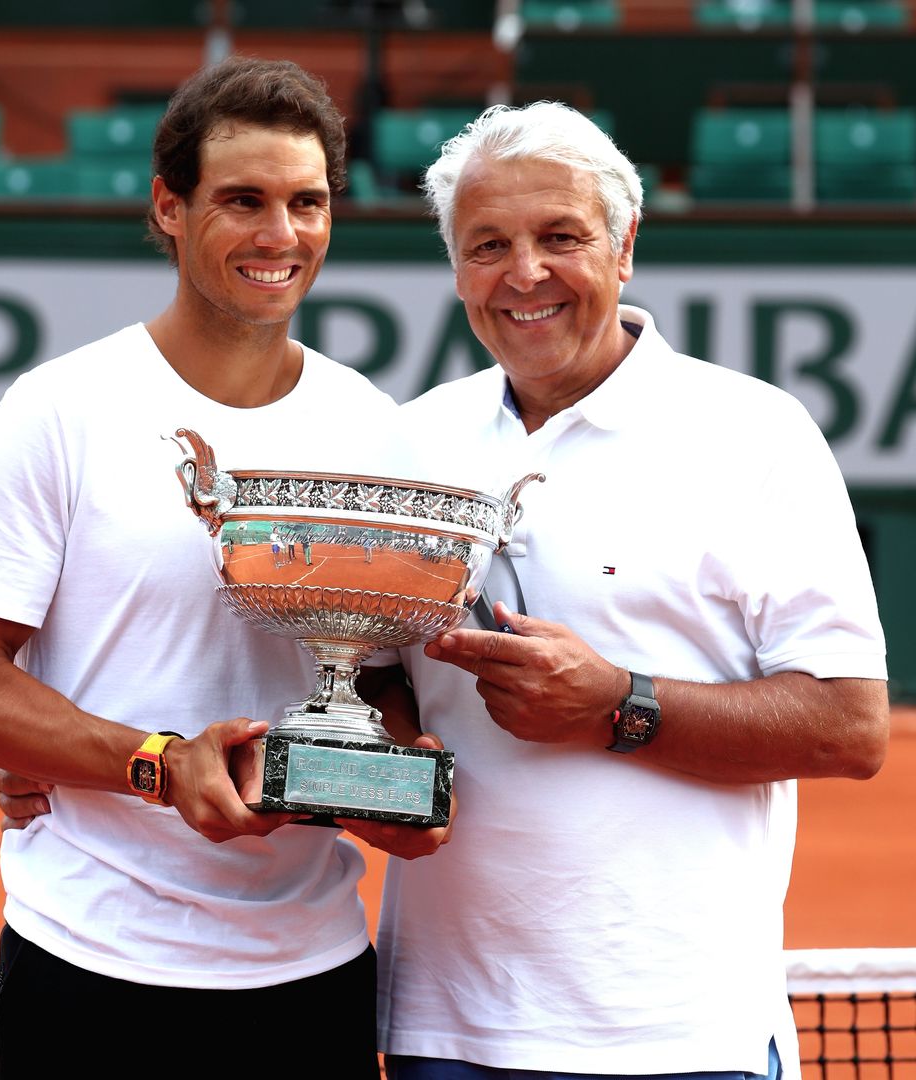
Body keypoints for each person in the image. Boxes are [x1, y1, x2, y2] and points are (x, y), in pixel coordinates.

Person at [0, 56, 445, 1079]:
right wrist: (156, 764)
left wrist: (404, 786)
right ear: (170, 207)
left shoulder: (374, 430)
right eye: (242, 201)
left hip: (311, 975)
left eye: (307, 202)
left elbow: (375, 681)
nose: (280, 236)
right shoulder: (58, 409)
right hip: (88, 967)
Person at [372, 101, 890, 1080]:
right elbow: (368, 674)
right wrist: (384, 754)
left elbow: (849, 726)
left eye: (560, 237)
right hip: (449, 1028)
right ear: (455, 268)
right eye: (489, 245)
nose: (524, 274)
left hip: (684, 1035)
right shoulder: (409, 444)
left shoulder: (756, 434)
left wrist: (618, 705)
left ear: (624, 247)